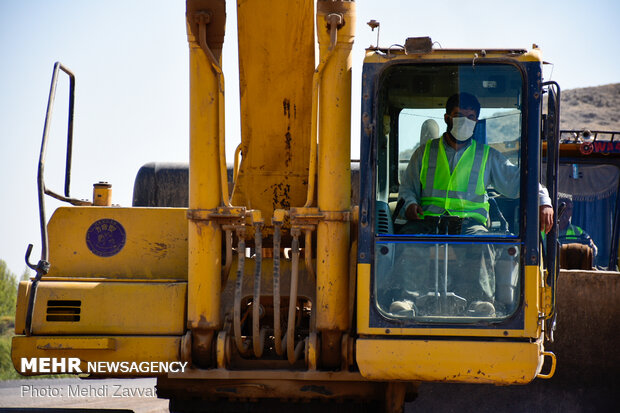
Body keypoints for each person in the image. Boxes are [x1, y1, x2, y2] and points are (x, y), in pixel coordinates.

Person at [389, 92, 553, 317]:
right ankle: (406, 300)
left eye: (471, 117)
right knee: (409, 238)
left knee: (482, 242)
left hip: (468, 224)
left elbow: (520, 181)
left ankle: (480, 302)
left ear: (477, 121)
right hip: (428, 221)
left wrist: (543, 200)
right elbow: (407, 188)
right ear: (447, 118)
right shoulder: (425, 152)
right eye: (459, 115)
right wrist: (409, 204)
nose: (465, 121)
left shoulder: (487, 156)